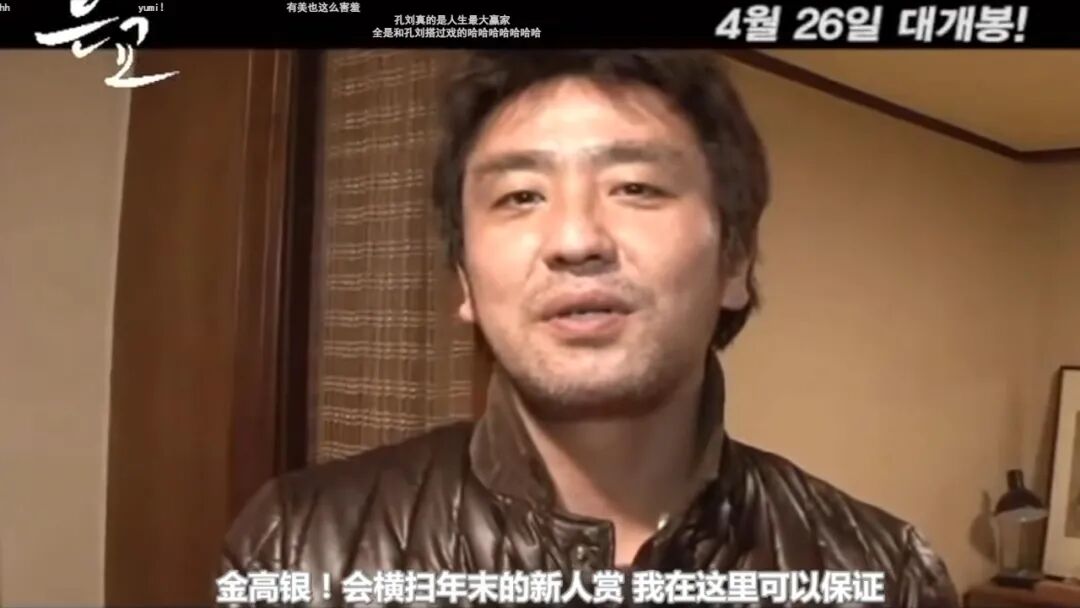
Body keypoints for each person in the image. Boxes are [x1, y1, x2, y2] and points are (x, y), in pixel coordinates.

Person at [220, 50, 960, 607]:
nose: (575, 239)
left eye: (635, 187)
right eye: (520, 196)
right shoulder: (298, 547)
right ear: (465, 279)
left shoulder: (884, 574)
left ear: (735, 260)